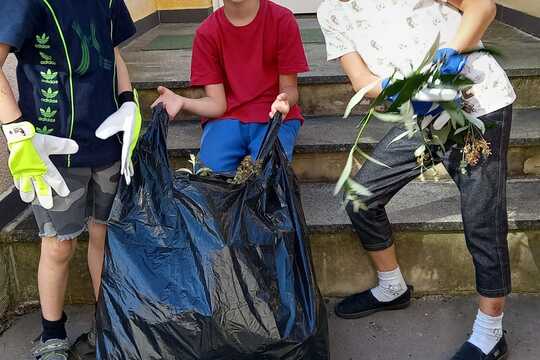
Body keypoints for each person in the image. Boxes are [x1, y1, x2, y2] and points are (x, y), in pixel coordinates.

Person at [317, 0, 515, 359]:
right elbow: (363, 82)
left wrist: (450, 57)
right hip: (421, 114)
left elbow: (482, 7)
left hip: (475, 105)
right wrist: (401, 87)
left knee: (481, 221)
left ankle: (490, 332)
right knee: (359, 196)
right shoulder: (330, 11)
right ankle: (392, 287)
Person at [0, 1, 140, 358]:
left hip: (108, 141)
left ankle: (106, 323)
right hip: (52, 150)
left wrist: (128, 102)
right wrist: (16, 131)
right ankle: (51, 333)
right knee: (58, 243)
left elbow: (112, 49)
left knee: (104, 236)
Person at [153, 0, 309, 173]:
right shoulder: (207, 32)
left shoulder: (282, 20)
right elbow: (217, 105)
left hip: (274, 117)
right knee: (207, 178)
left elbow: (289, 88)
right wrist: (182, 101)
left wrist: (284, 102)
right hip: (227, 119)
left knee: (268, 176)